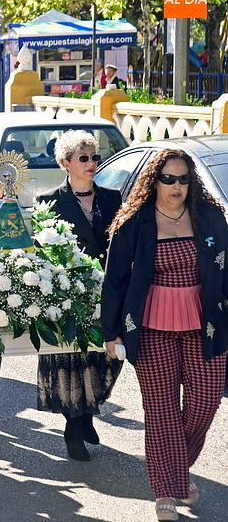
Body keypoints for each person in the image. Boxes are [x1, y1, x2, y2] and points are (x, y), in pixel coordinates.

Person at [102, 148, 228, 520]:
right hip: (152, 326)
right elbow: (115, 280)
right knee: (160, 412)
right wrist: (111, 333)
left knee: (205, 403)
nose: (176, 187)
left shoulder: (211, 218)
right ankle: (165, 492)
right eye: (169, 179)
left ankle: (174, 470)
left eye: (184, 179)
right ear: (154, 181)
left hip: (206, 323)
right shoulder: (133, 222)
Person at [35, 130, 123, 462]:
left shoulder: (113, 197)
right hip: (66, 295)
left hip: (108, 292)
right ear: (65, 163)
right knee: (70, 361)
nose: (91, 163)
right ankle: (74, 428)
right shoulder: (50, 200)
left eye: (95, 157)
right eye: (83, 158)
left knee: (107, 358)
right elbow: (42, 250)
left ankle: (87, 412)